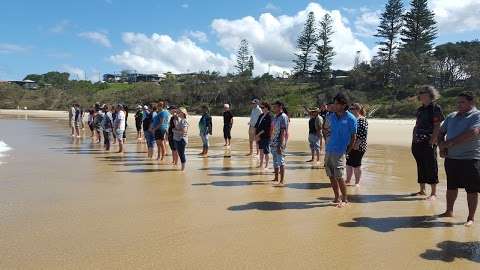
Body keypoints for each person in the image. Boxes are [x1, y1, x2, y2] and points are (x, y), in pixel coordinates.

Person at [438, 91, 480, 227]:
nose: (459, 104)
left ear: (471, 103)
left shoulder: (477, 115)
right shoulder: (451, 116)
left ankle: (470, 218)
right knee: (451, 186)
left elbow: (473, 132)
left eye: (462, 102)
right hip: (452, 158)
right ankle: (449, 211)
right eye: (458, 102)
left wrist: (449, 143)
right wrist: (441, 147)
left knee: (472, 190)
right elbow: (441, 132)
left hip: (471, 158)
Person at [411, 86, 445, 200]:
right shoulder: (420, 109)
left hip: (429, 141)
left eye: (424, 93)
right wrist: (414, 138)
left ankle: (434, 193)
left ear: (431, 94)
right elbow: (417, 125)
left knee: (431, 165)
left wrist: (432, 141)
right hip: (417, 141)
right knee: (420, 165)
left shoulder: (435, 108)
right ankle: (422, 190)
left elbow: (437, 126)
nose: (421, 95)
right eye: (420, 93)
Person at [324, 93, 357, 208]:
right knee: (331, 175)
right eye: (334, 103)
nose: (334, 105)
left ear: (344, 105)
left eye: (337, 103)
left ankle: (345, 199)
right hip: (329, 150)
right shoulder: (331, 116)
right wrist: (326, 136)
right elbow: (326, 129)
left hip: (340, 151)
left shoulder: (351, 119)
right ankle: (336, 197)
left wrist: (347, 151)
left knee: (339, 176)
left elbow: (353, 137)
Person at [346, 103, 368, 187]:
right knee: (348, 163)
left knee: (356, 164)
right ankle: (348, 180)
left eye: (352, 108)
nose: (350, 110)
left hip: (359, 146)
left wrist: (356, 145)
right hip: (349, 145)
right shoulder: (351, 119)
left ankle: (357, 182)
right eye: (349, 109)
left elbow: (362, 135)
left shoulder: (362, 120)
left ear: (357, 109)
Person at [270, 101, 289, 186]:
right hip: (273, 141)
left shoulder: (283, 116)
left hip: (279, 142)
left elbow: (283, 131)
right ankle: (276, 177)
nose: (274, 108)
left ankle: (281, 181)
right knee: (275, 161)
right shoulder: (275, 116)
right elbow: (273, 129)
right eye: (273, 107)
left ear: (280, 107)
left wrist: (280, 145)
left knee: (281, 161)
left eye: (275, 107)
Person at [254, 102, 272, 169]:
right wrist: (256, 134)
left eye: (263, 107)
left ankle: (266, 165)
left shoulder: (269, 116)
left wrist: (258, 134)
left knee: (266, 151)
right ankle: (261, 164)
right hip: (259, 136)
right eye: (261, 107)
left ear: (267, 108)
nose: (261, 109)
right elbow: (257, 125)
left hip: (266, 136)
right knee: (261, 150)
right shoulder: (261, 115)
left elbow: (266, 128)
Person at [173, 107, 189, 171]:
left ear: (182, 113)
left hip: (181, 139)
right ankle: (182, 168)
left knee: (181, 154)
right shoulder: (181, 120)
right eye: (177, 112)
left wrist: (174, 131)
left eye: (178, 112)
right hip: (178, 139)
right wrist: (175, 120)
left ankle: (183, 169)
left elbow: (184, 131)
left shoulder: (184, 120)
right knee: (180, 153)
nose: (177, 113)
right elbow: (177, 127)